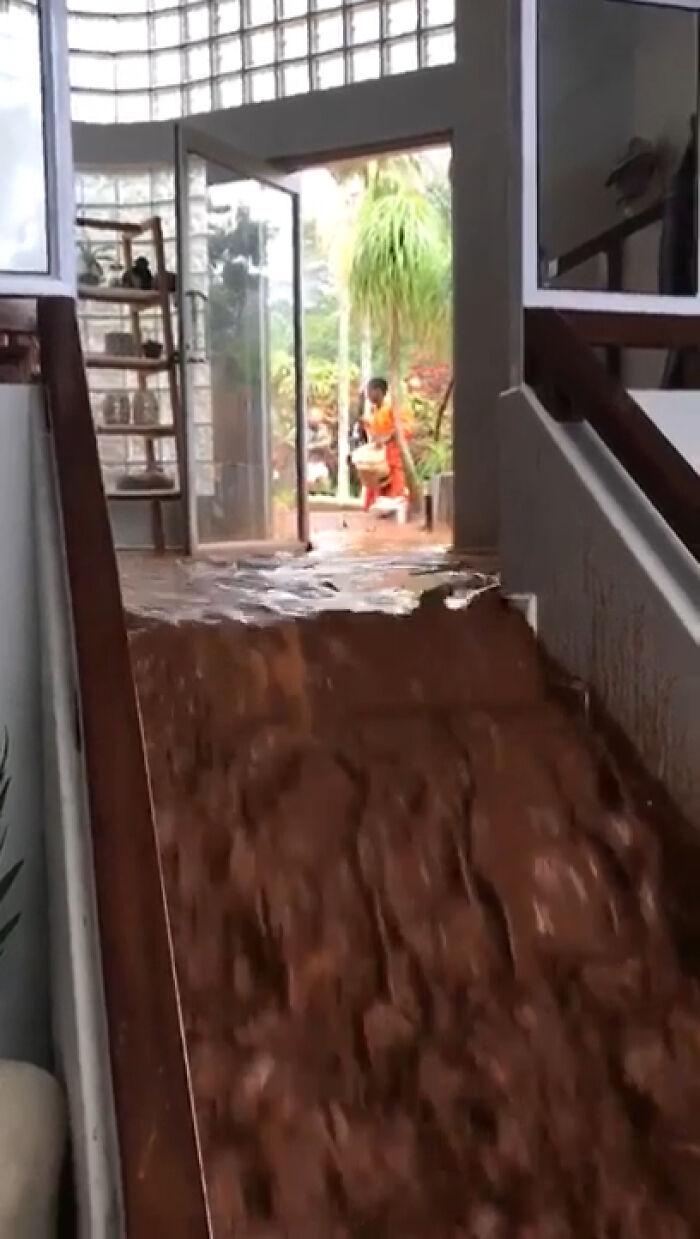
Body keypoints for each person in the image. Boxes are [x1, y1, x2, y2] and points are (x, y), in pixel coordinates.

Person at [361, 377, 413, 514]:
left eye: (370, 391)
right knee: (374, 486)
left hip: (394, 454)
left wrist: (387, 437)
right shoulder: (376, 410)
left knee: (396, 488)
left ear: (378, 391)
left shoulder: (393, 408)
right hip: (379, 457)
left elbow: (406, 428)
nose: (368, 395)